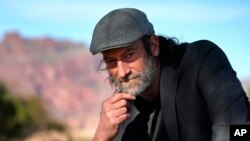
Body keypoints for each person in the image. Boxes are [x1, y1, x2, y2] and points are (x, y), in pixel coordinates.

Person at [89, 8, 250, 141]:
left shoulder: (202, 60)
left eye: (129, 55)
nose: (122, 72)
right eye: (111, 61)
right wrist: (100, 137)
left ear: (153, 45)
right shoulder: (122, 114)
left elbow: (237, 131)